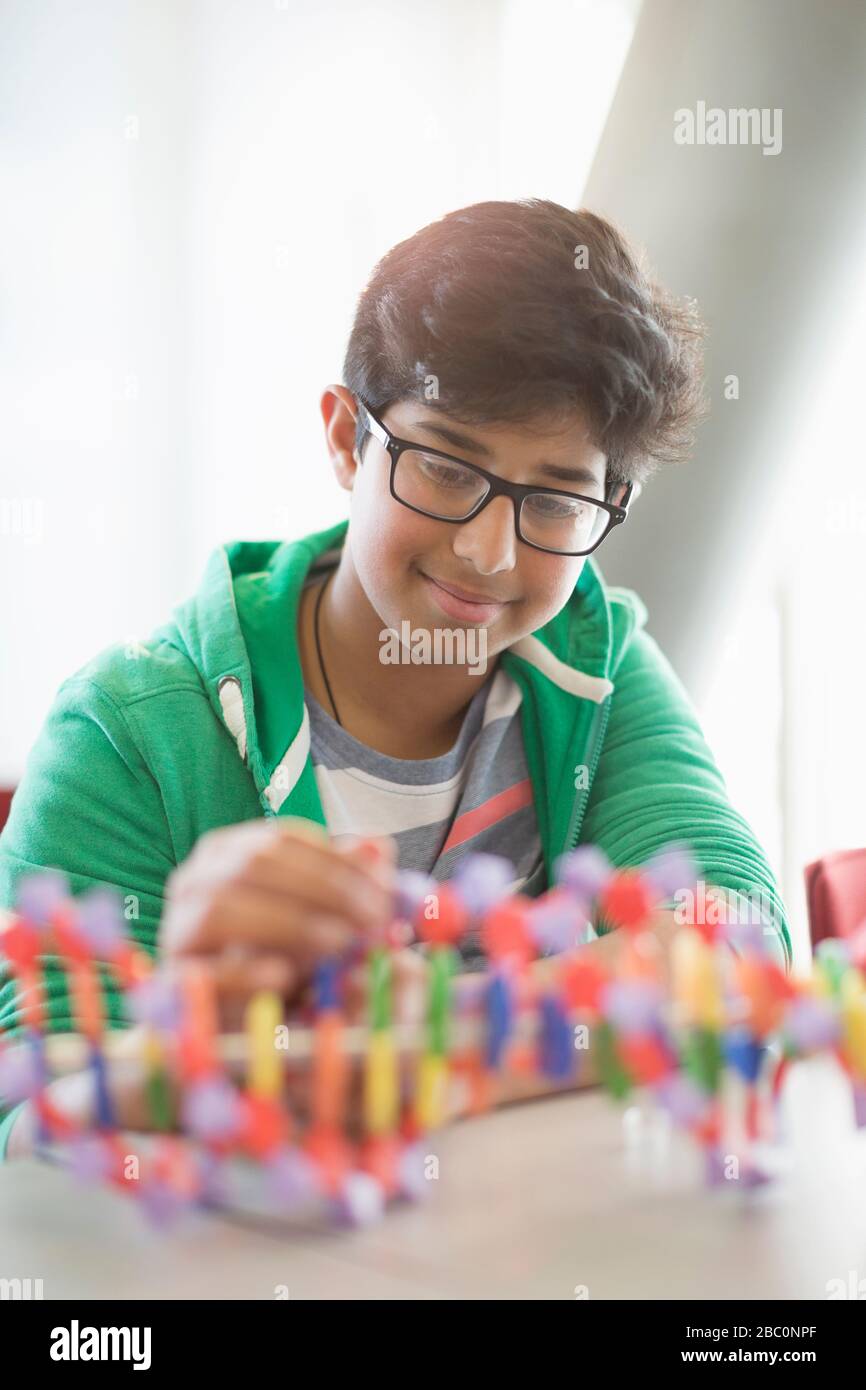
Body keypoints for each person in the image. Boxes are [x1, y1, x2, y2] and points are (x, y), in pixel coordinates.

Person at [0, 199, 791, 1158]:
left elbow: (735, 942)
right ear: (347, 440)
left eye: (553, 497)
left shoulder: (596, 662)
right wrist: (192, 1028)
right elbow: (29, 1117)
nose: (490, 552)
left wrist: (421, 1041)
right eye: (448, 468)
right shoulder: (129, 729)